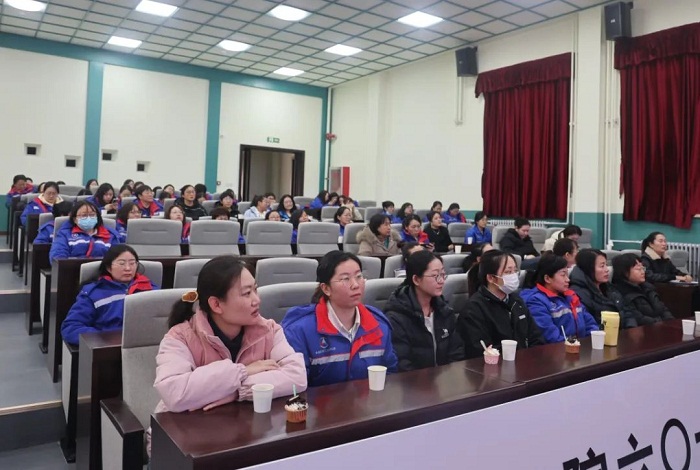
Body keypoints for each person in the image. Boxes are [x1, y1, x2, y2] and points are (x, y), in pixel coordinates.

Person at [153, 256, 306, 417]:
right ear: (216, 304)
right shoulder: (179, 337)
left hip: (243, 426)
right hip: (182, 429)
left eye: (255, 290)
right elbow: (174, 393)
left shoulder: (269, 330)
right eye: (247, 293)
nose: (257, 300)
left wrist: (237, 391)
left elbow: (297, 376)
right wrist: (243, 371)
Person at [282, 251, 398, 387]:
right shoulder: (299, 330)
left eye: (359, 276)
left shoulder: (378, 324)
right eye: (345, 279)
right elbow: (295, 386)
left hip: (371, 400)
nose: (355, 285)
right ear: (326, 289)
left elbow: (391, 374)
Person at [61, 245, 158, 345]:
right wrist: (102, 338)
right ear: (108, 267)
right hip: (108, 347)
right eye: (121, 264)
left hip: (145, 344)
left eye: (132, 263)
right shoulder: (93, 292)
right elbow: (71, 327)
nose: (128, 268)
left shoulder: (150, 288)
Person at [384, 251, 464, 371]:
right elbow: (402, 363)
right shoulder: (396, 316)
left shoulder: (444, 310)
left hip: (446, 379)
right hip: (413, 381)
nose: (441, 281)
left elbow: (457, 352)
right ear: (416, 279)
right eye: (435, 275)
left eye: (443, 274)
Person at [457, 250, 544, 359]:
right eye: (508, 272)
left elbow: (536, 337)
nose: (513, 276)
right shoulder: (474, 309)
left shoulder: (516, 301)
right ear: (491, 278)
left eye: (515, 271)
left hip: (525, 363)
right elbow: (480, 351)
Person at [520, 254, 599, 343]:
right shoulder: (535, 301)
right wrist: (575, 346)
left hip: (580, 348)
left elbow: (590, 324)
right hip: (557, 350)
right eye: (563, 275)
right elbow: (550, 336)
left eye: (567, 274)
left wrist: (591, 342)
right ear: (547, 278)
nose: (568, 280)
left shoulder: (571, 296)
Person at [569, 249, 636, 327]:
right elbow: (592, 324)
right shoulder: (579, 293)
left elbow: (627, 310)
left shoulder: (608, 287)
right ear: (588, 268)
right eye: (602, 266)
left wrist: (630, 328)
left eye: (606, 265)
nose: (607, 270)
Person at [49, 201, 121, 264]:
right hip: (72, 272)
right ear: (75, 219)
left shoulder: (110, 235)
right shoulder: (65, 234)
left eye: (92, 215)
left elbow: (118, 259)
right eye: (84, 215)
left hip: (103, 272)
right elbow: (57, 257)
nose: (88, 218)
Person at [612, 253, 674, 325]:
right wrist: (660, 324)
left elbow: (663, 309)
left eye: (643, 268)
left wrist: (671, 322)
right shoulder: (620, 293)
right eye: (638, 269)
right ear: (625, 272)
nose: (642, 272)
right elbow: (639, 318)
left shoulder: (648, 288)